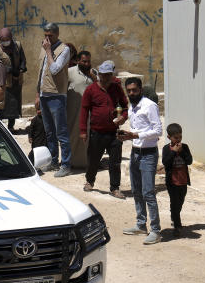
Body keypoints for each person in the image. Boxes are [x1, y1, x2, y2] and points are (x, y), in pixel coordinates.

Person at [119, 77, 163, 245]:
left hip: (149, 154)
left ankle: (156, 230)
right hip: (135, 152)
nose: (131, 93)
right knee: (136, 190)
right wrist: (127, 136)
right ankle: (140, 224)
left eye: (134, 90)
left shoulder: (150, 106)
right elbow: (137, 130)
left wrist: (135, 135)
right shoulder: (132, 108)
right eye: (128, 90)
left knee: (148, 193)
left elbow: (158, 130)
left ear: (141, 90)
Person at [80, 60, 128, 198]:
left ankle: (115, 188)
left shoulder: (117, 88)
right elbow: (84, 111)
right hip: (96, 132)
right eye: (103, 75)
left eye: (108, 75)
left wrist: (123, 117)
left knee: (115, 162)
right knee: (93, 159)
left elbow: (125, 107)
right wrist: (83, 131)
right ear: (99, 74)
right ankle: (90, 181)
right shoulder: (91, 90)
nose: (106, 78)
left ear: (112, 75)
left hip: (114, 133)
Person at [36, 23, 73, 177]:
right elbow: (41, 71)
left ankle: (66, 164)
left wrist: (49, 51)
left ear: (57, 34)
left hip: (57, 95)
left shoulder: (64, 50)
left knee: (61, 132)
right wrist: (38, 94)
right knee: (49, 132)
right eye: (45, 35)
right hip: (44, 94)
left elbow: (55, 69)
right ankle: (53, 160)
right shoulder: (44, 48)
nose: (47, 38)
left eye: (50, 35)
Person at [161, 123, 192, 237]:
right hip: (172, 182)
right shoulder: (166, 148)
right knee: (174, 202)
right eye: (176, 137)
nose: (178, 140)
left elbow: (189, 161)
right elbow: (166, 162)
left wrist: (181, 151)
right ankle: (177, 226)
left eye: (180, 137)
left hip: (183, 180)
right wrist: (173, 152)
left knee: (180, 201)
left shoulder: (185, 147)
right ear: (169, 137)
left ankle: (174, 215)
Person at [67, 50, 95, 171]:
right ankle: (72, 161)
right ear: (78, 61)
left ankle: (86, 162)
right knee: (74, 134)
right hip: (73, 109)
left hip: (90, 111)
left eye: (88, 61)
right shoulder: (70, 72)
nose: (86, 64)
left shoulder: (93, 73)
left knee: (88, 136)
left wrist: (93, 76)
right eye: (84, 61)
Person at [0, 28, 27, 132]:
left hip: (17, 80)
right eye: (4, 40)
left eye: (8, 39)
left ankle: (11, 126)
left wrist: (22, 67)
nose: (6, 42)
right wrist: (11, 70)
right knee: (4, 104)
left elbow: (22, 59)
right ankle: (1, 126)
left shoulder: (17, 45)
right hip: (5, 82)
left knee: (14, 103)